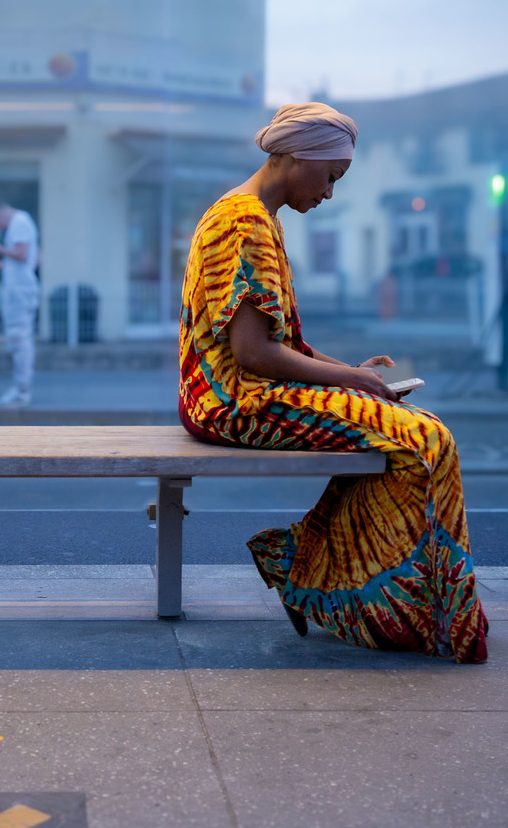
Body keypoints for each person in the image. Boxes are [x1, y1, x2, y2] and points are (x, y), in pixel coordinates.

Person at [178, 102, 488, 663]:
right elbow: (252, 353)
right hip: (234, 403)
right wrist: (347, 379)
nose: (329, 193)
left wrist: (351, 377)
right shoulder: (242, 223)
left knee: (416, 435)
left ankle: (315, 571)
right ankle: (354, 590)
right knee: (425, 442)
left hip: (233, 395)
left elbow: (279, 346)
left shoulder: (249, 215)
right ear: (297, 158)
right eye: (330, 176)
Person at [0, 201, 39, 406]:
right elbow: (28, 257)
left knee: (19, 339)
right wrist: (5, 264)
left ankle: (22, 390)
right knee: (19, 339)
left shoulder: (19, 222)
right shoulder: (22, 221)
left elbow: (21, 254)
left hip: (19, 292)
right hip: (20, 289)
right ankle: (20, 388)